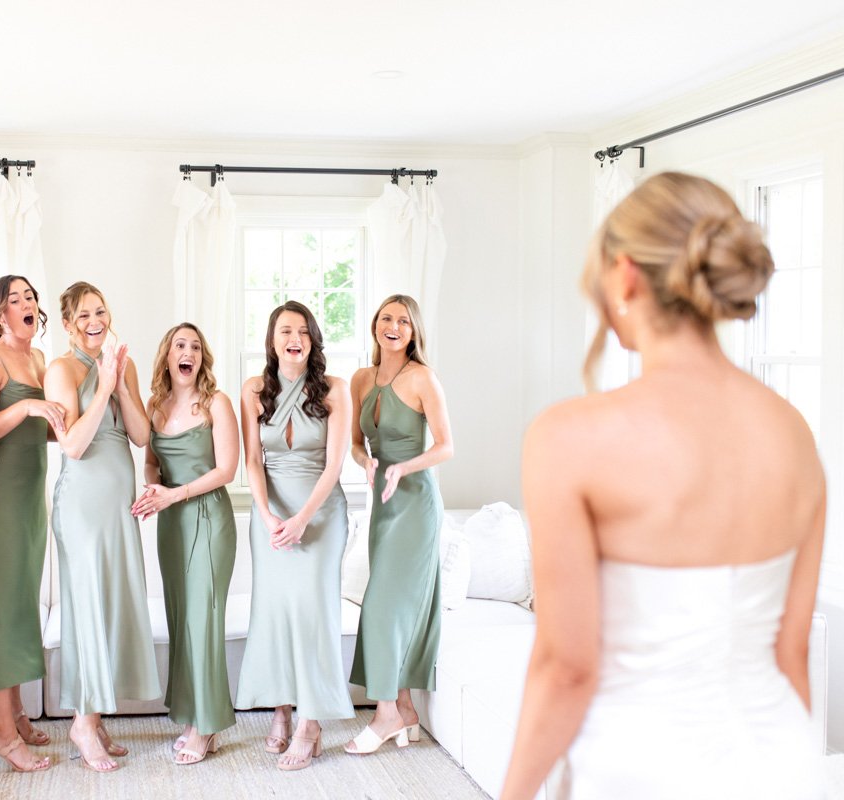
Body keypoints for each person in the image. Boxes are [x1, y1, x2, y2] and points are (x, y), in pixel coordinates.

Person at [501, 172, 826, 800]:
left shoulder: (569, 435)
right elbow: (790, 656)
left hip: (638, 770)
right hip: (783, 764)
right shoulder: (794, 433)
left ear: (625, 275)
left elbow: (567, 668)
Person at [43, 281, 161, 772]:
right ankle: (82, 722)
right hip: (82, 505)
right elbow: (72, 444)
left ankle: (97, 715)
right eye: (84, 316)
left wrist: (121, 379)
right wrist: (105, 386)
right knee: (88, 607)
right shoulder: (60, 369)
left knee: (111, 606)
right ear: (69, 325)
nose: (95, 322)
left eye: (101, 312)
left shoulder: (122, 363)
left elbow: (138, 435)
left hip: (118, 506)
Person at [235, 300, 355, 771]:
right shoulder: (252, 389)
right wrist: (266, 516)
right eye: (286, 331)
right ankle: (281, 708)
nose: (295, 339)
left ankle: (311, 722)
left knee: (312, 612)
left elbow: (334, 465)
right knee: (275, 611)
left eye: (304, 332)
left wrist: (303, 518)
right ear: (271, 340)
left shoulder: (334, 390)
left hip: (320, 515)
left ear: (313, 340)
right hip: (271, 515)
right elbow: (252, 462)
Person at [0, 275, 68, 773]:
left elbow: (36, 431)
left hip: (28, 499)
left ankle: (16, 712)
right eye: (14, 299)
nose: (26, 304)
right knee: (1, 612)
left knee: (20, 606)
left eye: (30, 297)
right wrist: (26, 404)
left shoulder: (40, 360)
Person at [345, 294, 454, 755]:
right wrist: (365, 463)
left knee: (384, 606)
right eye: (387, 318)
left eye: (403, 321)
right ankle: (405, 709)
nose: (393, 326)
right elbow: (354, 442)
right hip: (383, 504)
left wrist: (402, 469)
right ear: (375, 325)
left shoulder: (422, 378)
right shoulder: (361, 379)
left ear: (414, 332)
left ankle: (386, 712)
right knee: (389, 606)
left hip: (415, 505)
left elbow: (447, 447)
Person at [131, 323, 240, 765]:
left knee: (204, 621)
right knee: (182, 620)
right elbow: (152, 464)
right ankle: (199, 719)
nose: (188, 352)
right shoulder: (155, 407)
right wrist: (153, 490)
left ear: (202, 359)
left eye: (195, 346)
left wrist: (176, 494)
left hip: (209, 518)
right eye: (180, 345)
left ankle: (206, 724)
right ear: (168, 356)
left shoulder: (217, 403)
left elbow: (228, 470)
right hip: (171, 525)